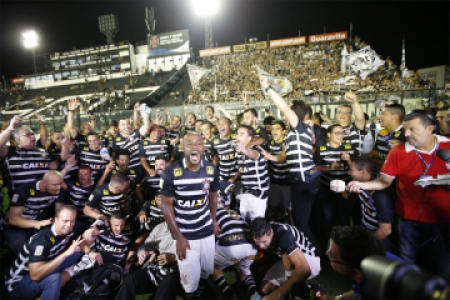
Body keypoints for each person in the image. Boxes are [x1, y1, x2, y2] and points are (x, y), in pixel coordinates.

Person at [348, 110, 450, 281]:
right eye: (405, 129)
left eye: (413, 129)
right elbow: (384, 181)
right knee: (407, 265)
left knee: (442, 266)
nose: (407, 134)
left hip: (442, 219)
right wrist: (362, 184)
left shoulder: (447, 146)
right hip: (408, 218)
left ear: (430, 129)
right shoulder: (398, 151)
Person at [160, 132, 220, 298]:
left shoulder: (211, 169)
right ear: (182, 148)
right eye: (189, 144)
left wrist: (214, 221)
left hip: (207, 231)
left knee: (206, 272)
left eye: (198, 143)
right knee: (190, 283)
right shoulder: (171, 172)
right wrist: (178, 237)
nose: (195, 147)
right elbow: (166, 207)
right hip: (186, 236)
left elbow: (214, 195)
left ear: (203, 146)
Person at [261, 77, 319, 240]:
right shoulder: (293, 135)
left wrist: (267, 88)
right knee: (300, 219)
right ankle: (304, 248)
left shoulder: (300, 128)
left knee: (301, 222)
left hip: (304, 180)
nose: (284, 114)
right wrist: (269, 156)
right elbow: (283, 157)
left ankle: (307, 255)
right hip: (302, 180)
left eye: (289, 112)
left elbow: (285, 108)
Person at [5, 205, 87, 300]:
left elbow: (85, 232)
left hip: (46, 263)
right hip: (19, 282)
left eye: (72, 220)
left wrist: (91, 234)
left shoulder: (70, 227)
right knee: (55, 278)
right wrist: (66, 254)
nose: (69, 225)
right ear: (56, 219)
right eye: (65, 221)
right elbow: (35, 276)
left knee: (78, 253)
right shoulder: (41, 241)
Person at [250, 217, 321, 300]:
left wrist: (275, 296)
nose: (261, 246)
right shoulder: (267, 230)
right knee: (265, 289)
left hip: (308, 260)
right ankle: (297, 291)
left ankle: (309, 291)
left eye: (264, 241)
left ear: (271, 233)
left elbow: (304, 269)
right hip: (289, 258)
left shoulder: (283, 234)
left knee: (285, 255)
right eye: (258, 242)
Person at [114, 220, 181, 300]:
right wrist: (143, 253)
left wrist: (173, 258)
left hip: (176, 272)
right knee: (131, 279)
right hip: (154, 269)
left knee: (168, 281)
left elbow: (195, 256)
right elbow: (145, 246)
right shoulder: (160, 227)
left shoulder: (190, 231)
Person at [4, 170, 65, 254]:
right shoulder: (23, 190)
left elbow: (59, 212)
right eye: (55, 185)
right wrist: (37, 223)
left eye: (60, 184)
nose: (58, 187)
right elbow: (13, 219)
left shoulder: (58, 191)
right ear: (44, 183)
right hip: (16, 225)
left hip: (38, 220)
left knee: (46, 249)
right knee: (26, 253)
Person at [320, 226, 386, 300]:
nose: (326, 253)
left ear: (356, 273)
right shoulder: (378, 256)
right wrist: (335, 299)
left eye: (332, 257)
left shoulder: (375, 293)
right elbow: (359, 290)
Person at [212, 208, 259, 300]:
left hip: (232, 247)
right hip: (252, 247)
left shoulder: (209, 213)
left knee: (211, 266)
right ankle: (256, 296)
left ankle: (230, 296)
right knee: (244, 271)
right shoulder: (232, 212)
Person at [0, 116, 53, 193]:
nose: (32, 136)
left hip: (44, 198)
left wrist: (53, 166)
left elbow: (40, 166)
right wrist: (10, 128)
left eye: (32, 134)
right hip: (20, 200)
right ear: (18, 139)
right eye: (27, 135)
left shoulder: (43, 151)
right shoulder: (11, 151)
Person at [346, 157, 394, 241]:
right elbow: (347, 192)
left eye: (351, 170)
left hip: (377, 236)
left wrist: (369, 245)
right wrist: (346, 190)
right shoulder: (360, 184)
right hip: (365, 228)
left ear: (363, 172)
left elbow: (386, 230)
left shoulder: (380, 195)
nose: (348, 172)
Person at [235, 124, 269, 221]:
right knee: (244, 220)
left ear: (250, 138)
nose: (238, 137)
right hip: (246, 191)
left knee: (257, 222)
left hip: (258, 193)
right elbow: (242, 169)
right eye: (237, 134)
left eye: (242, 134)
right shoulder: (239, 153)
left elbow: (254, 155)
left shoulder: (256, 149)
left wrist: (244, 149)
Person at [259, 120, 290, 223]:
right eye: (272, 129)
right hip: (273, 182)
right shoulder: (270, 143)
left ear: (284, 131)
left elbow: (282, 157)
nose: (274, 131)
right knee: (273, 207)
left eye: (277, 128)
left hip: (287, 183)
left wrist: (269, 156)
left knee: (288, 210)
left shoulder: (286, 143)